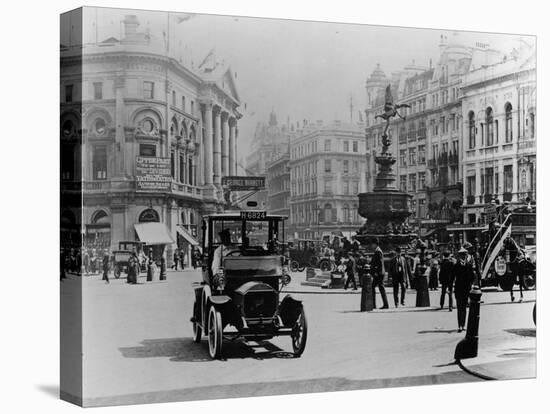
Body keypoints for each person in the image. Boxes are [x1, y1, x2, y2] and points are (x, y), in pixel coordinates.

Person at [454, 247, 475, 332]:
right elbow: (452, 277)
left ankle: (463, 324)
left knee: (464, 308)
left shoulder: (469, 266)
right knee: (460, 308)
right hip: (458, 289)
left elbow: (472, 277)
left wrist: (470, 284)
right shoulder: (456, 266)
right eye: (462, 255)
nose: (464, 257)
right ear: (460, 256)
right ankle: (460, 325)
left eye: (465, 255)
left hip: (466, 289)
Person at [370, 237, 389, 309]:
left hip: (379, 273)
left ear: (375, 244)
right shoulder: (378, 251)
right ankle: (382, 304)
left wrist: (377, 272)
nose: (371, 246)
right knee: (379, 288)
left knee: (378, 287)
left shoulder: (378, 251)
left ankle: (379, 304)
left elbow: (380, 263)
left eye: (372, 244)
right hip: (379, 273)